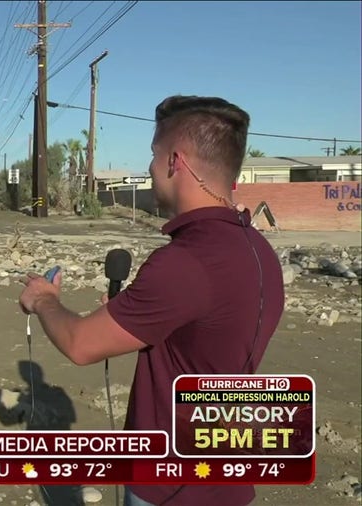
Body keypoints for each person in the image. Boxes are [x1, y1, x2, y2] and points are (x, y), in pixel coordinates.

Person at [18, 95, 285, 506]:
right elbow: (201, 341)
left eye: (153, 154)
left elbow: (80, 344)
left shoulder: (187, 262)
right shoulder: (256, 248)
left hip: (170, 486)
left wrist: (44, 300)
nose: (149, 167)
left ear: (175, 161)